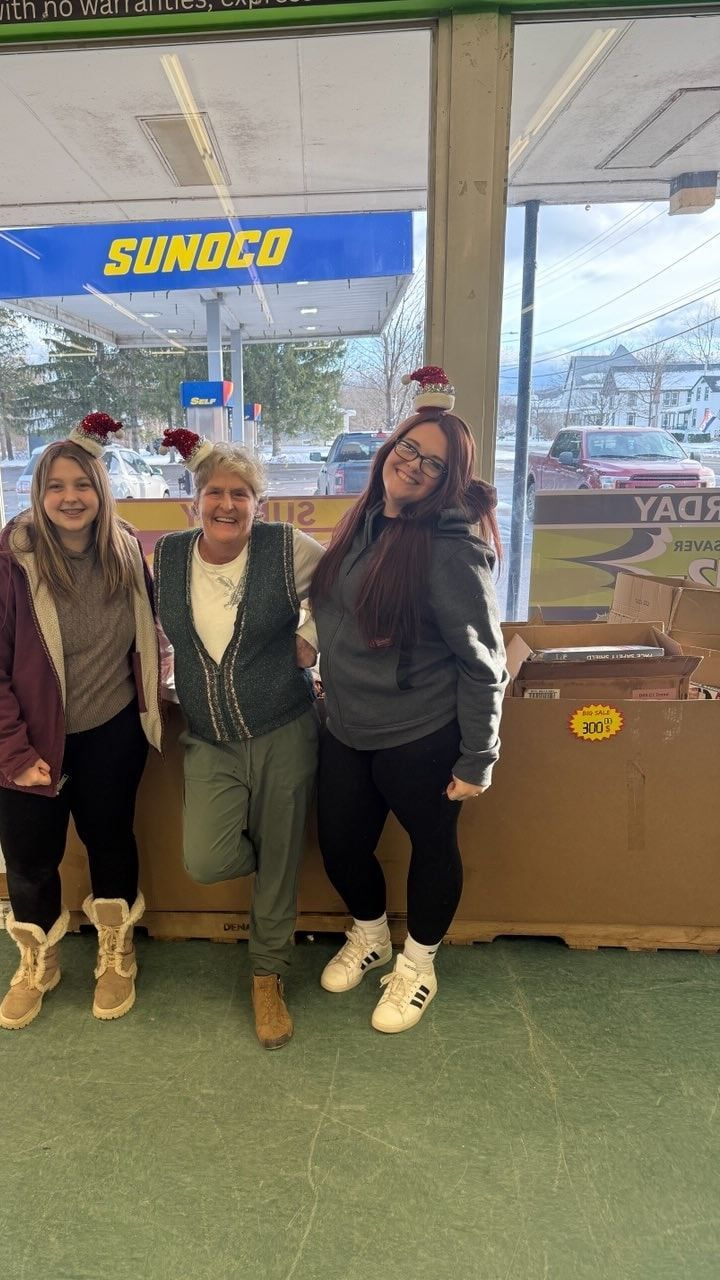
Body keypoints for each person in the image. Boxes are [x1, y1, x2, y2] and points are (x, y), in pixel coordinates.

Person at [309, 367, 507, 1033]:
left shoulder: (450, 550)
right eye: (409, 449)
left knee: (431, 846)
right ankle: (370, 935)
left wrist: (478, 756)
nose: (415, 466)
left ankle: (418, 964)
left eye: (435, 464)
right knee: (340, 844)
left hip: (420, 735)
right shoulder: (362, 519)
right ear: (389, 448)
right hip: (345, 725)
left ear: (450, 481)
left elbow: (483, 661)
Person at [0, 413, 163, 1030]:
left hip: (110, 732)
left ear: (102, 491)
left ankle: (114, 950)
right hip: (25, 741)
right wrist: (16, 753)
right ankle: (38, 961)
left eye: (83, 485)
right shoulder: (3, 569)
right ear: (38, 494)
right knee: (30, 860)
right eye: (56, 486)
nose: (70, 498)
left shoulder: (125, 551)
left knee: (111, 843)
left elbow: (146, 636)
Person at [154, 429, 324, 1050]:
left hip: (283, 725)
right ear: (195, 500)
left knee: (279, 863)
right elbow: (152, 628)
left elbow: (344, 586)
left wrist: (312, 638)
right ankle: (269, 870)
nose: (227, 504)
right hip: (209, 736)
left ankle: (267, 976)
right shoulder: (170, 556)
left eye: (241, 494)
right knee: (206, 859)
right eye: (215, 492)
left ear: (259, 502)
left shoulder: (285, 548)